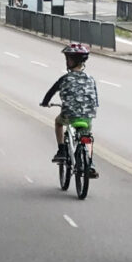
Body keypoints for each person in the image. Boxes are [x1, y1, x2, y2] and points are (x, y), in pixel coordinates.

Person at [40, 43, 100, 178]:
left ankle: (61, 150)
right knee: (87, 136)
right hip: (88, 114)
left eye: (68, 59)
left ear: (72, 61)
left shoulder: (64, 79)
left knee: (58, 122)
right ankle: (89, 164)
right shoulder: (91, 79)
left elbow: (50, 93)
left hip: (70, 114)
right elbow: (96, 99)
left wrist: (45, 103)